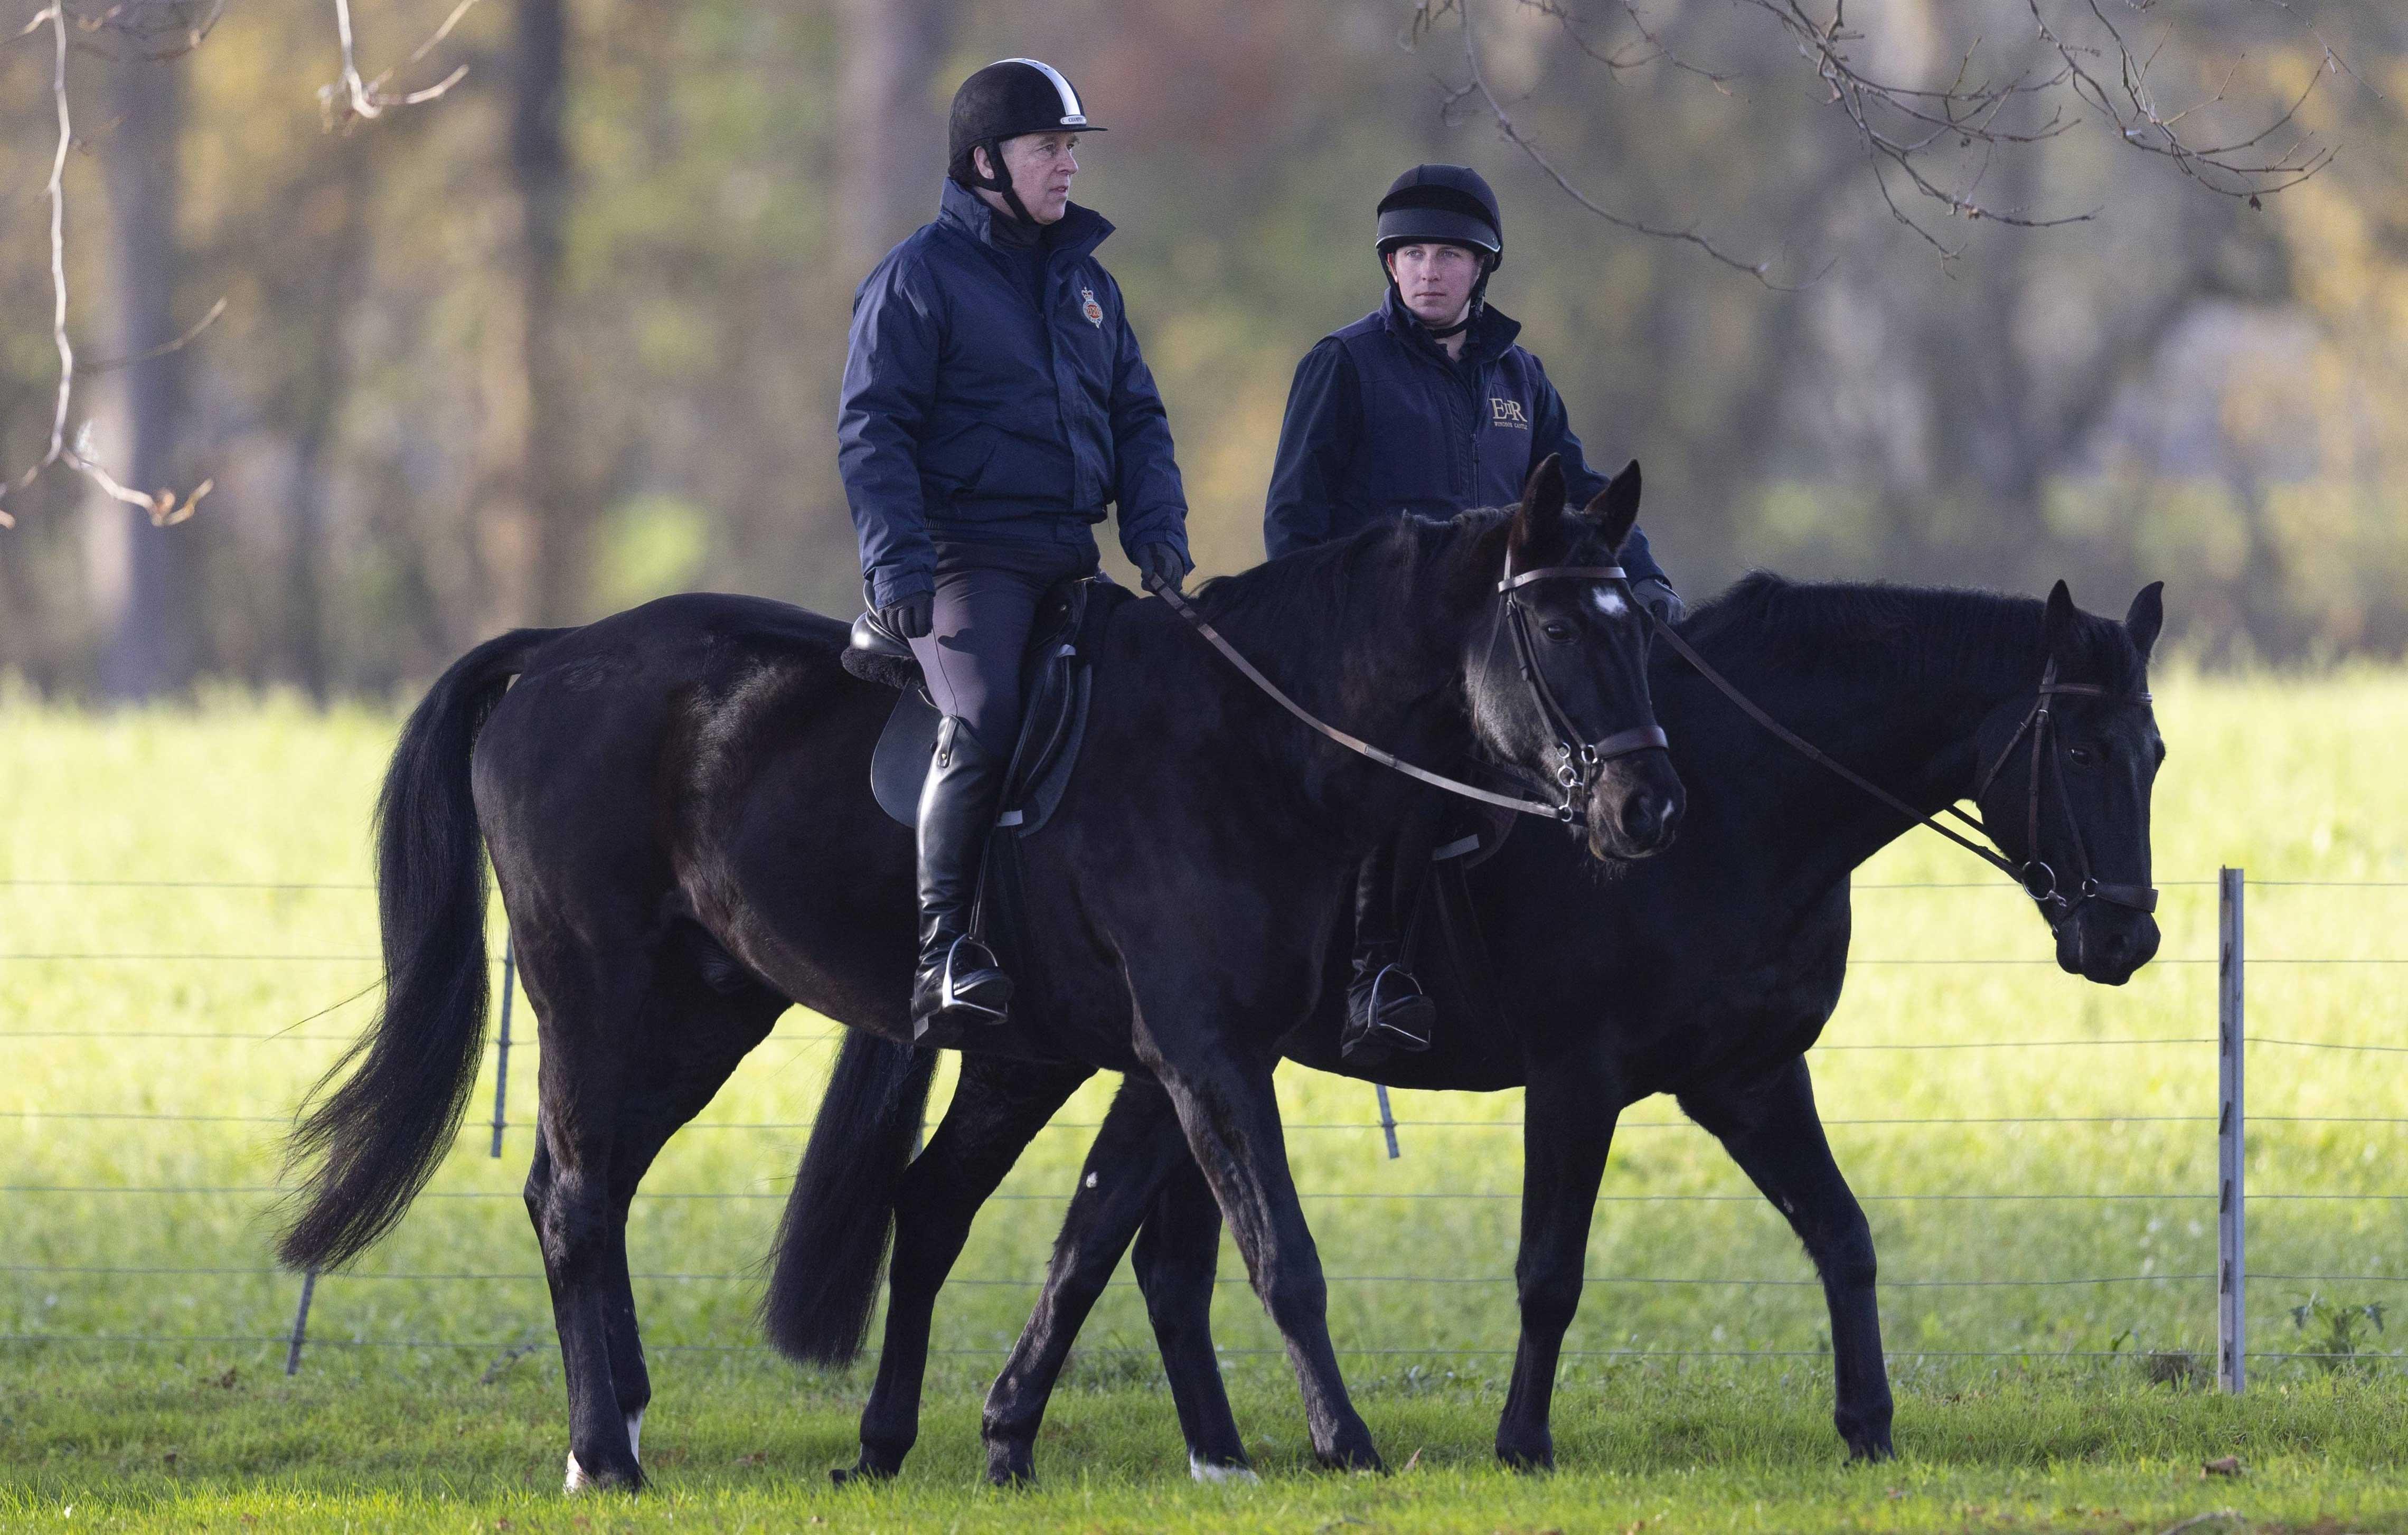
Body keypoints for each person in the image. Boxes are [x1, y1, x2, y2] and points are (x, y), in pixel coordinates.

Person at [1263, 163, 1683, 1062]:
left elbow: (1584, 496)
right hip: (1377, 658)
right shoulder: (1343, 366)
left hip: (1496, 651)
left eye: (1446, 255)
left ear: (1483, 267)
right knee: (1418, 758)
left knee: (1607, 744)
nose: (1424, 271)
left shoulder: (1519, 378)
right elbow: (1294, 522)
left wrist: (1643, 578)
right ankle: (1377, 973)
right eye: (1408, 254)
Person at [839, 58, 1192, 1039]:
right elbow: (875, 430)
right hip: (964, 557)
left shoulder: (1089, 287)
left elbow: (1139, 416)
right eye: (1050, 148)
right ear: (985, 163)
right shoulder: (918, 278)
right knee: (988, 712)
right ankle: (943, 950)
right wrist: (899, 564)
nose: (1068, 166)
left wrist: (1157, 526)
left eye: (1072, 148)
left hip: (1068, 554)